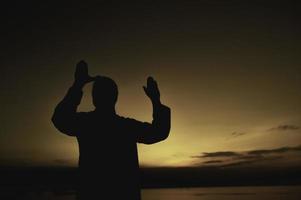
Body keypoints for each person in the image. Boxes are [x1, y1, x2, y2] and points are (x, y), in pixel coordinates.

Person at [51, 60, 171, 200]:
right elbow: (159, 132)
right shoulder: (126, 127)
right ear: (115, 98)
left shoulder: (86, 124)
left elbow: (60, 118)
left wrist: (78, 84)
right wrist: (156, 101)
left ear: (94, 99)